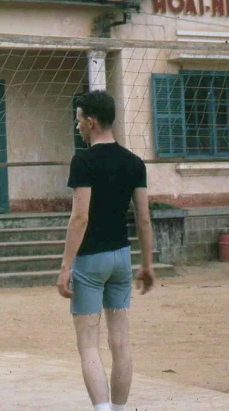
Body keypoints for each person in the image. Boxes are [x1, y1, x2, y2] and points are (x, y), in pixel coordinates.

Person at [57, 90, 156, 411]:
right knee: (120, 342)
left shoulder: (83, 161)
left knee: (88, 345)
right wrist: (148, 264)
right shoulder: (134, 162)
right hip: (121, 258)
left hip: (90, 260)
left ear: (91, 121)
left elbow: (80, 216)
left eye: (79, 121)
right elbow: (143, 217)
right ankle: (120, 409)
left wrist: (65, 266)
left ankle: (102, 409)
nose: (77, 127)